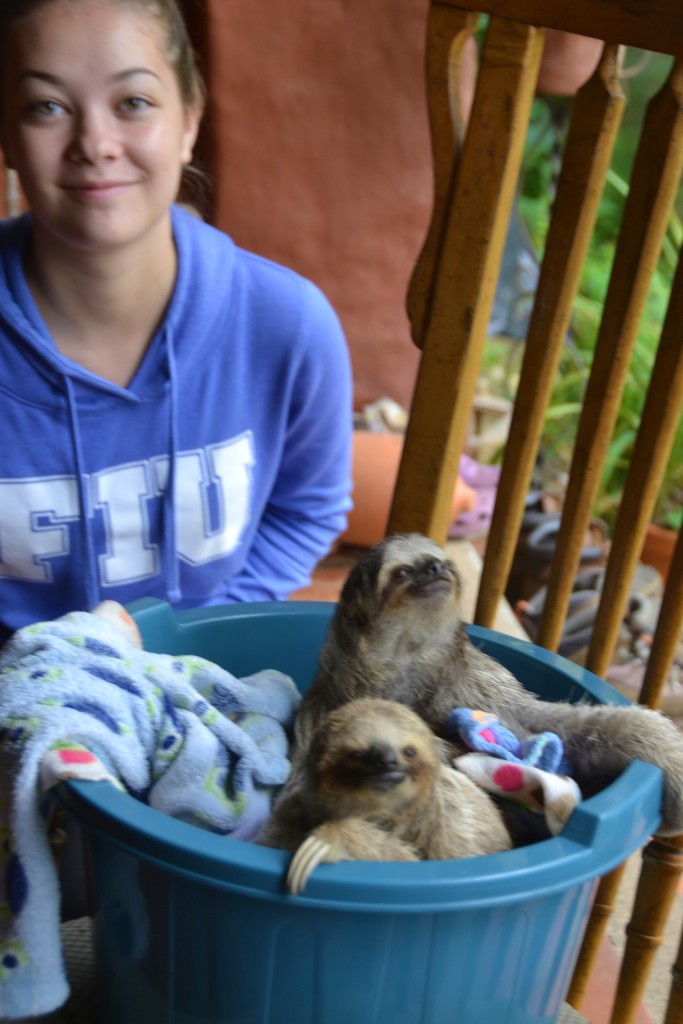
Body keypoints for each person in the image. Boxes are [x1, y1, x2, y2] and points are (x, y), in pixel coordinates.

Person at [0, 0, 353, 645]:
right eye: (47, 106)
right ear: (8, 135)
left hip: (200, 684)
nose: (95, 145)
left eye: (133, 102)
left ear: (190, 119)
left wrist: (196, 638)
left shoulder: (285, 326)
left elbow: (308, 508)